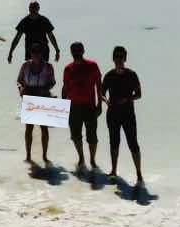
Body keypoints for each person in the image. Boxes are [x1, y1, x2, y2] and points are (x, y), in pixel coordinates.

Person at [102, 45, 143, 186]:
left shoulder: (132, 75)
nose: (119, 59)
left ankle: (139, 174)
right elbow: (101, 92)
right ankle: (113, 171)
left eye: (121, 57)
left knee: (133, 144)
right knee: (114, 142)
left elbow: (139, 95)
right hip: (112, 113)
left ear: (125, 58)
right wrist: (105, 100)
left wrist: (127, 99)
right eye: (117, 57)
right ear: (113, 59)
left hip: (128, 114)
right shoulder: (109, 76)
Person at [60, 41, 102, 172]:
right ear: (71, 52)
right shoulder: (68, 68)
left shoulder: (92, 66)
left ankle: (93, 160)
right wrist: (62, 106)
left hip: (90, 106)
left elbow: (99, 86)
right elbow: (65, 88)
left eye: (79, 50)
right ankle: (81, 158)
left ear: (83, 51)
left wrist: (100, 104)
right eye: (74, 51)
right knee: (75, 136)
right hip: (73, 107)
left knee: (92, 137)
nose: (76, 53)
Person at [17, 45, 56, 167]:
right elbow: (19, 80)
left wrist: (45, 88)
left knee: (44, 128)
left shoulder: (48, 66)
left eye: (38, 52)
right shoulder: (25, 65)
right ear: (31, 53)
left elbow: (53, 82)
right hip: (29, 96)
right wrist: (21, 89)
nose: (36, 55)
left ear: (42, 53)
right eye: (34, 52)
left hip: (43, 96)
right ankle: (28, 155)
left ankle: (44, 155)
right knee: (29, 128)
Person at [6, 0, 59, 66]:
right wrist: (11, 52)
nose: (33, 10)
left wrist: (57, 50)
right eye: (31, 8)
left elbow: (51, 36)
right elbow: (17, 38)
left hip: (43, 52)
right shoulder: (25, 21)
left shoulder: (44, 20)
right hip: (30, 52)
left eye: (35, 8)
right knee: (30, 74)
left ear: (38, 9)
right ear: (29, 9)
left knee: (43, 73)